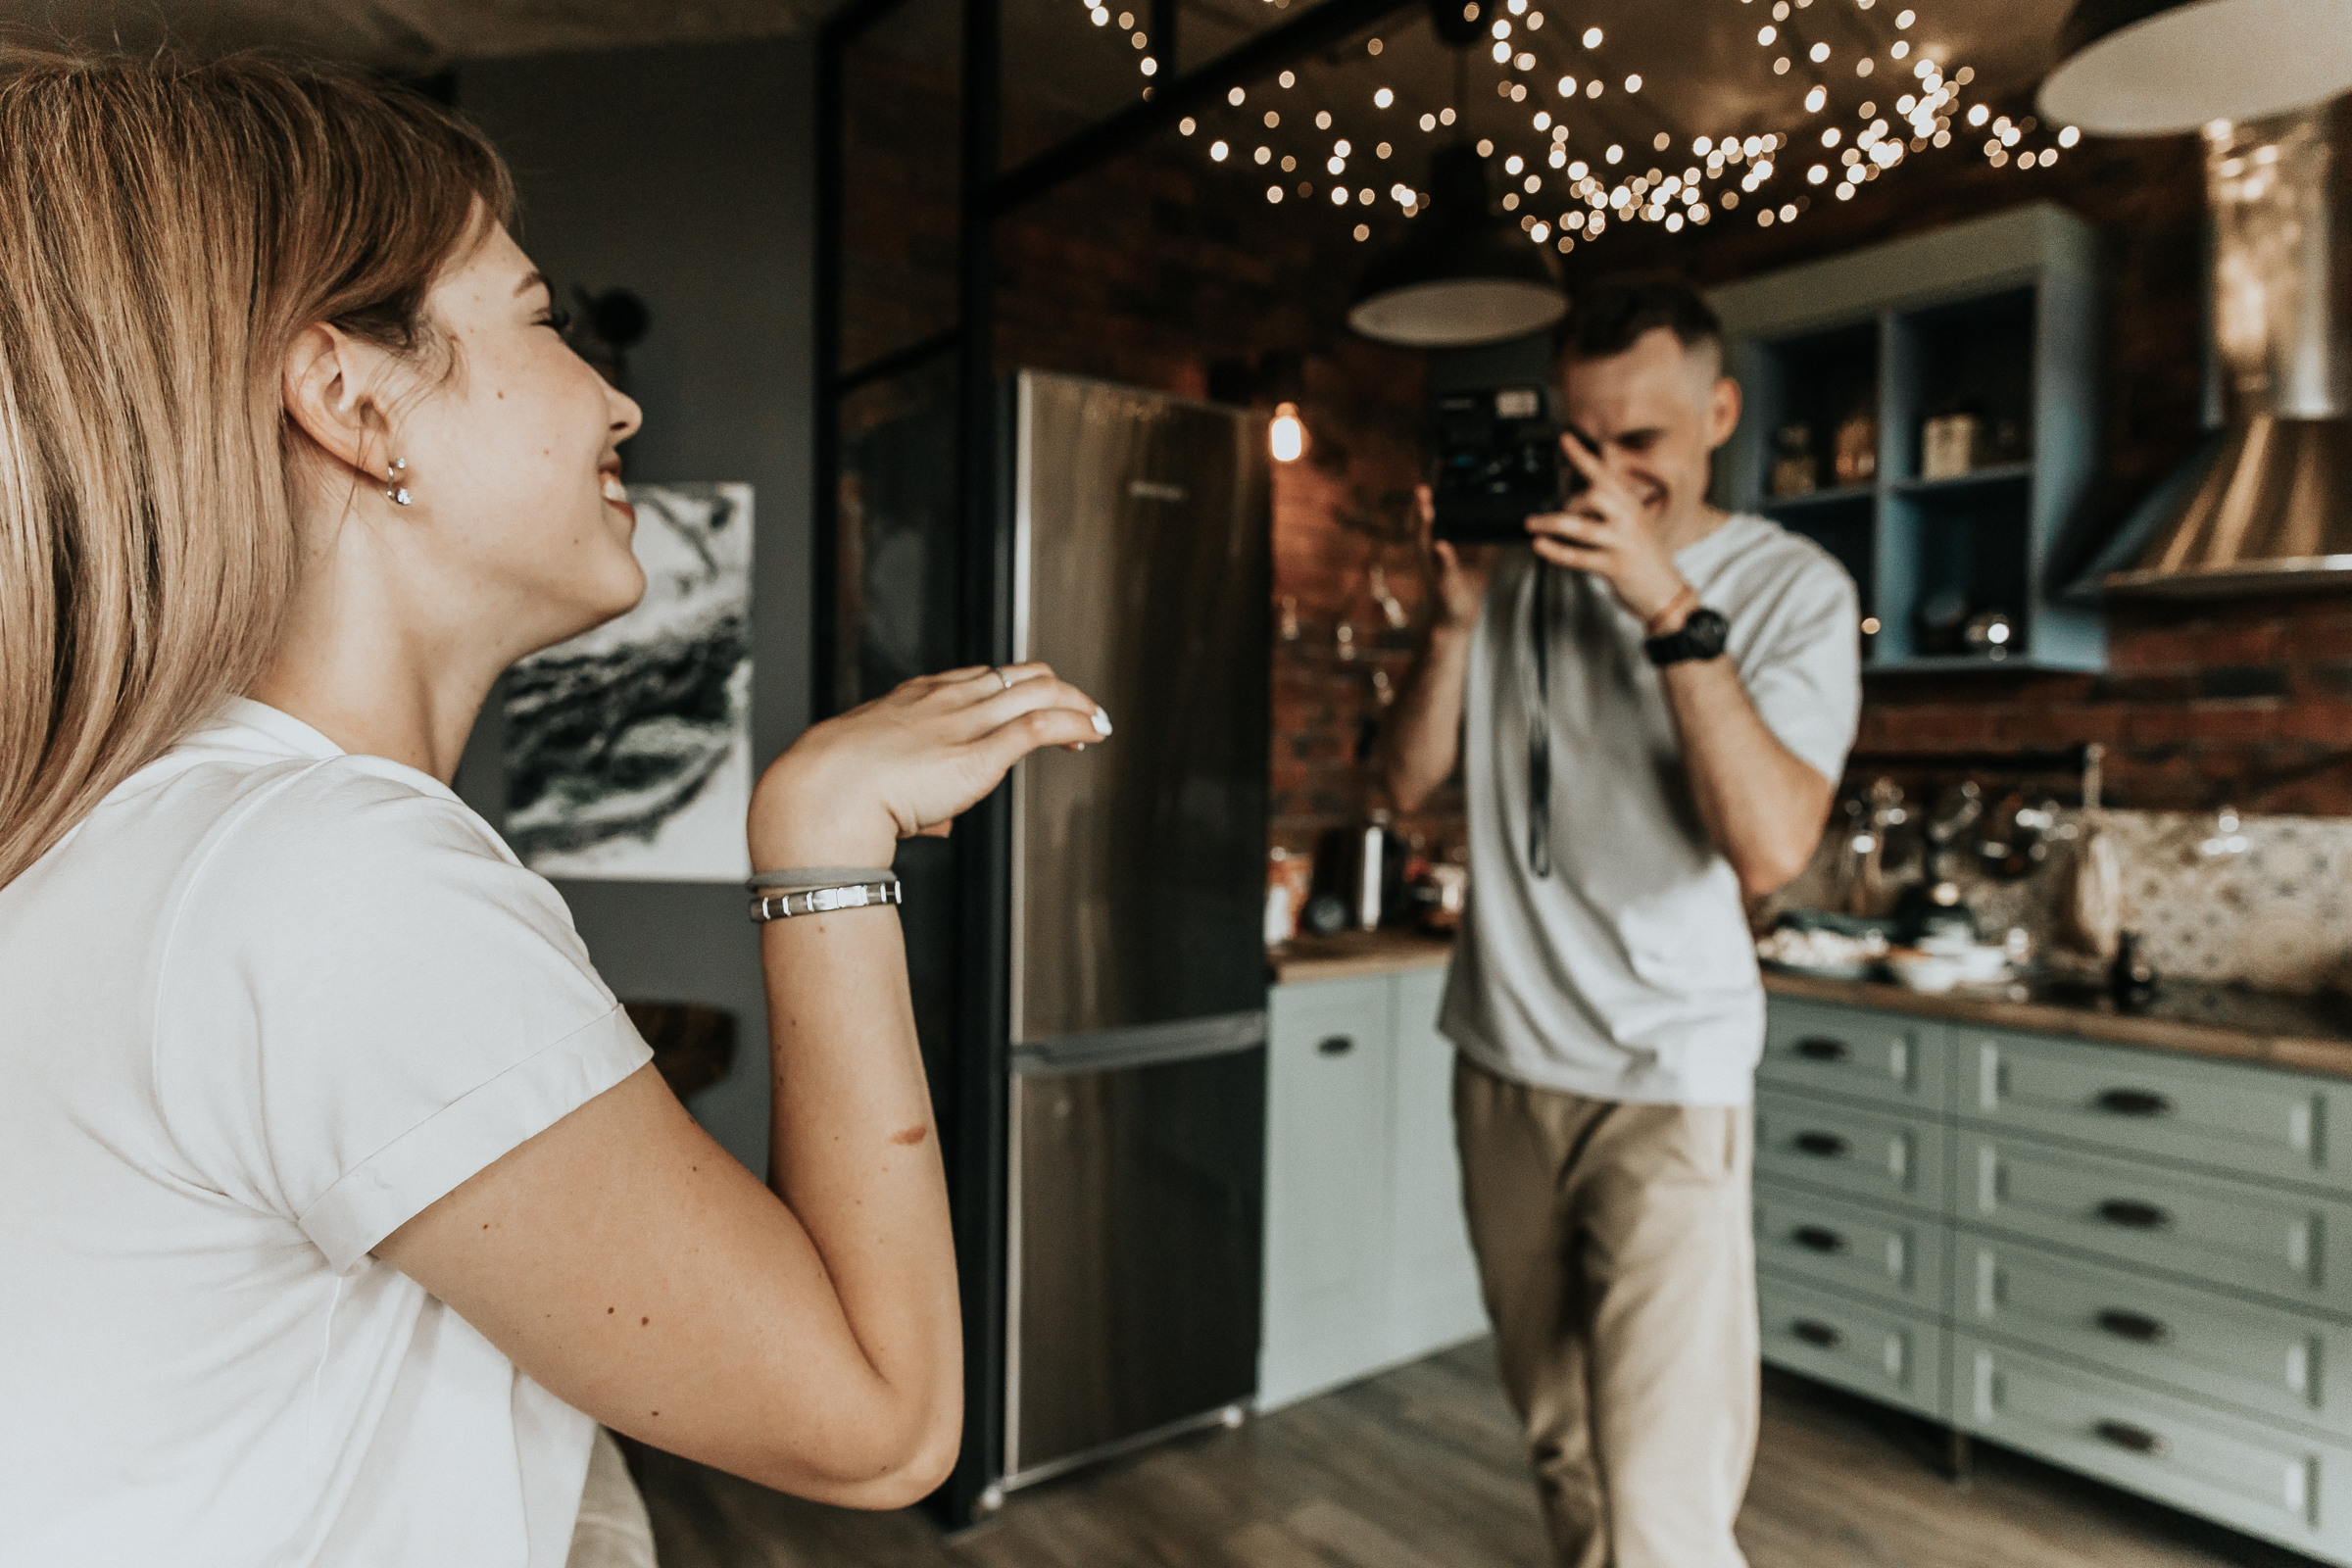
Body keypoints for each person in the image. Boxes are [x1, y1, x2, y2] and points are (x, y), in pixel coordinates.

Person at [0, 53, 1109, 1567]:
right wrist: (824, 844)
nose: (619, 395)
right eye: (538, 319)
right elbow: (880, 1424)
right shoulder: (330, 880)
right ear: (350, 399)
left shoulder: (152, 832)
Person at [1377, 275, 1861, 1568]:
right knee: (1559, 1443)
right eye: (1577, 436)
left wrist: (1663, 604)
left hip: (1669, 1079)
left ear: (1719, 412)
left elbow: (1768, 845)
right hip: (1502, 1064)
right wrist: (1457, 624)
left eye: (1637, 440)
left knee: (1662, 1500)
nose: (1601, 469)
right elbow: (1401, 785)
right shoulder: (1517, 569)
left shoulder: (1791, 586)